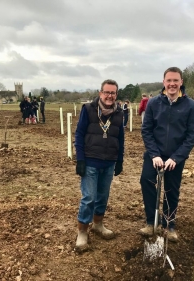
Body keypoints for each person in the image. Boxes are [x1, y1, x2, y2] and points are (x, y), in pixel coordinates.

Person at [139, 67, 194, 242]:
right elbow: (147, 130)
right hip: (154, 155)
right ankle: (151, 222)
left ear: (181, 82)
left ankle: (168, 225)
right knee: (147, 181)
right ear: (164, 82)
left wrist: (176, 157)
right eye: (169, 80)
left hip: (175, 157)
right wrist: (154, 154)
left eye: (176, 80)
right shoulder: (153, 103)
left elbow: (192, 135)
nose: (172, 84)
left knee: (171, 190)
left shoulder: (190, 105)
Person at [74, 79, 124, 250]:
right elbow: (79, 134)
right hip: (90, 161)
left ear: (116, 95)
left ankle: (98, 224)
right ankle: (82, 231)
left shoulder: (119, 113)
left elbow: (120, 138)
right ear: (100, 93)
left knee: (102, 196)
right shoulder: (88, 110)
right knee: (89, 197)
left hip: (109, 163)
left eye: (113, 93)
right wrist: (80, 159)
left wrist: (119, 160)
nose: (110, 96)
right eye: (107, 92)